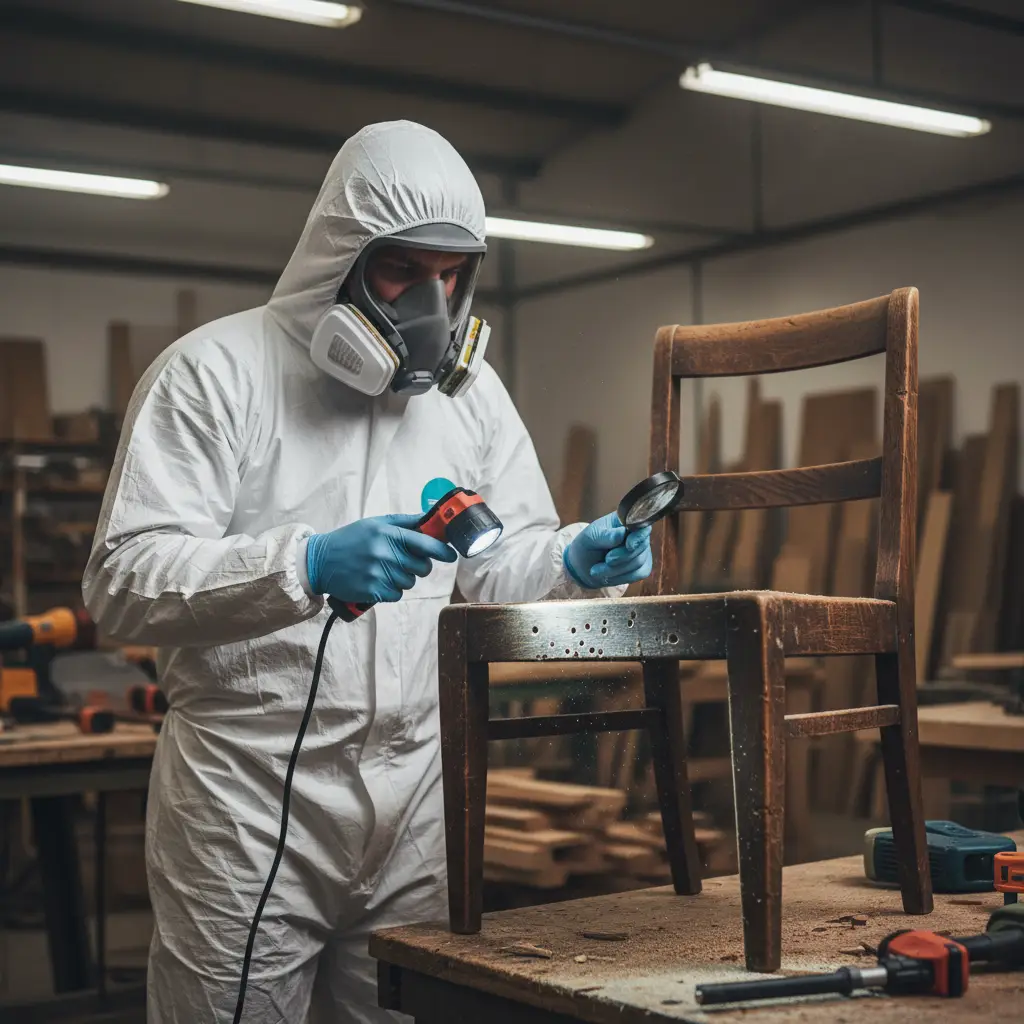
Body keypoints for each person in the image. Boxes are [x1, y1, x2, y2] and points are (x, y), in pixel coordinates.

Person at [83, 120, 653, 1024]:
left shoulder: (471, 398)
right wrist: (303, 564)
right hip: (248, 799)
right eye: (402, 270)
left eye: (452, 275)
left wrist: (574, 559)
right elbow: (123, 580)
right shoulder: (213, 374)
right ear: (340, 258)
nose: (432, 302)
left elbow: (497, 564)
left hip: (415, 798)